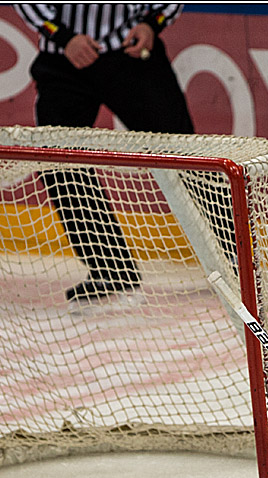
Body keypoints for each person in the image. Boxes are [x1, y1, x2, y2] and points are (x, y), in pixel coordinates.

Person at [14, 4, 194, 303]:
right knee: (59, 163)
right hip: (65, 58)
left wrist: (152, 23)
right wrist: (62, 36)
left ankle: (235, 261)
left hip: (132, 54)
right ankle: (111, 270)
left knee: (188, 157)